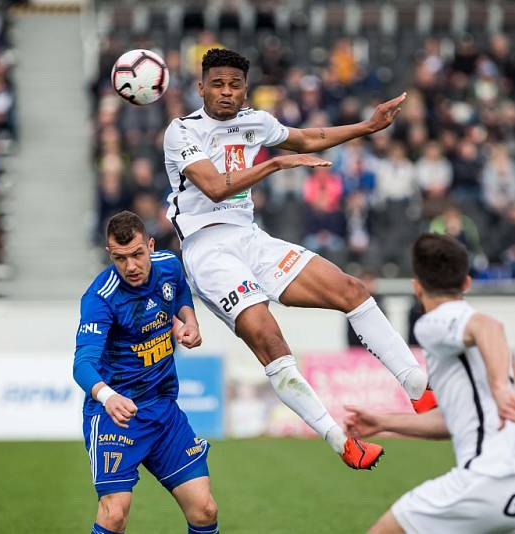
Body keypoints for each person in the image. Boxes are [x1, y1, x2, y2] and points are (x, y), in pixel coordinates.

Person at [163, 48, 427, 470]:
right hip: (208, 251)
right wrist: (276, 164)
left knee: (351, 289)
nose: (226, 92)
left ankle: (418, 389)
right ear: (201, 88)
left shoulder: (257, 123)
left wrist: (368, 126)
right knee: (271, 340)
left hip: (250, 239)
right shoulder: (183, 131)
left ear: (245, 90)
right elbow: (214, 188)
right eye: (217, 84)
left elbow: (308, 138)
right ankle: (341, 441)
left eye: (234, 85)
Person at [345, 233, 515, 533]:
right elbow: (453, 421)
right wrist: (383, 422)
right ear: (467, 283)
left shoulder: (434, 324)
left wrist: (499, 389)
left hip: (486, 480)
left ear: (416, 287)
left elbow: (488, 326)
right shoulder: (473, 337)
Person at [73, 211, 219, 534]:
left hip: (163, 410)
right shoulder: (101, 297)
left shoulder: (168, 265)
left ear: (150, 246)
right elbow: (82, 365)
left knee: (204, 509)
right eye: (120, 258)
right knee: (114, 515)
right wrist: (108, 397)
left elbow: (180, 291)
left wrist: (189, 320)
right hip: (117, 415)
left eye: (138, 254)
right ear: (110, 255)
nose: (131, 266)